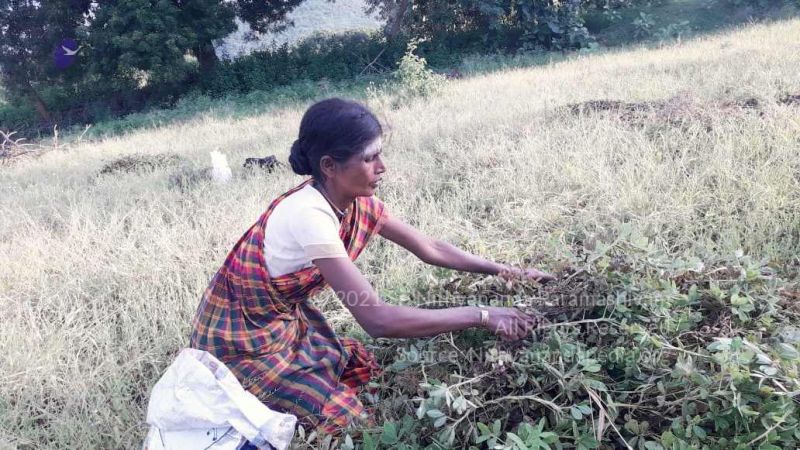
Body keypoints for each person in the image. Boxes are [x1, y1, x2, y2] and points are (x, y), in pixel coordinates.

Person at [189, 97, 554, 434]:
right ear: (329, 166)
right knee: (348, 422)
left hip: (283, 325)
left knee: (358, 365)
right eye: (369, 159)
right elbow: (377, 320)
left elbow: (429, 247)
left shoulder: (351, 200)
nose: (382, 168)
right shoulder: (308, 214)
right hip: (240, 341)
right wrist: (484, 316)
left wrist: (508, 271)